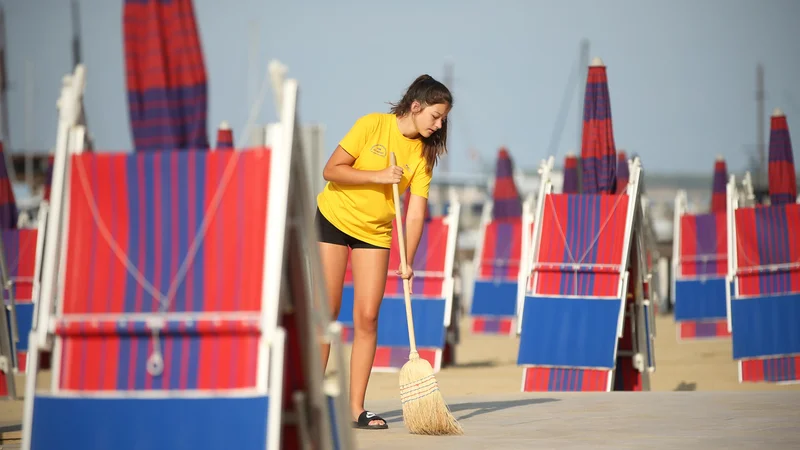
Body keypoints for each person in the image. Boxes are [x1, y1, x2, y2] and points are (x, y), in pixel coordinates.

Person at [316, 74, 452, 430]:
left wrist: (408, 259)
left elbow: (416, 211)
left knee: (368, 317)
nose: (439, 124)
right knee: (326, 313)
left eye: (443, 119)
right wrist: (378, 176)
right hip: (333, 219)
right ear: (416, 106)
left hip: (375, 233)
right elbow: (331, 170)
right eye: (436, 116)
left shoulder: (423, 154)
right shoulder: (371, 125)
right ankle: (314, 402)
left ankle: (355, 408)